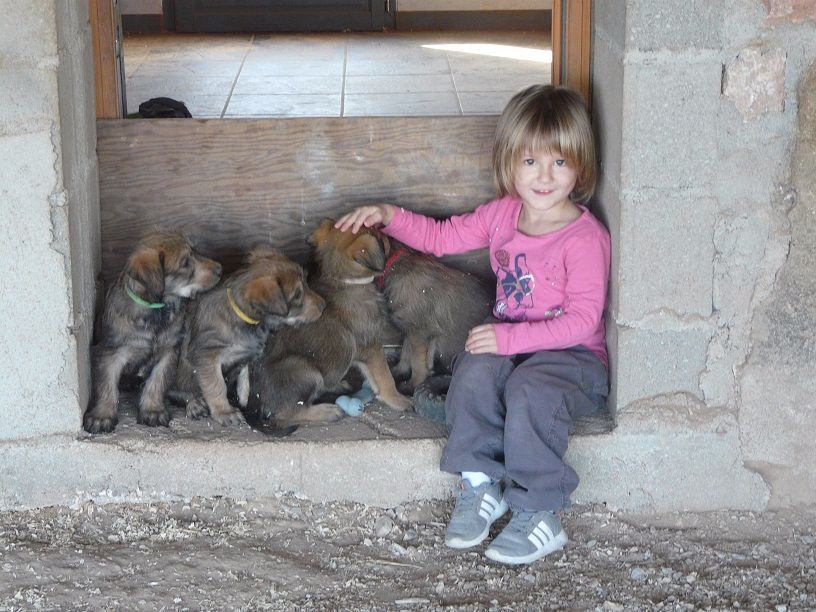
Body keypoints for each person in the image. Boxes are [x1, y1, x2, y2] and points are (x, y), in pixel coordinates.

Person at [335, 84, 610, 565]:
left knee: (530, 392)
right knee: (475, 369)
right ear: (508, 163)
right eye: (530, 162)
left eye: (559, 163)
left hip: (573, 358)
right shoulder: (504, 214)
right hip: (514, 344)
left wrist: (508, 336)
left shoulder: (584, 238)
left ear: (580, 166)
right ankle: (480, 485)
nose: (544, 177)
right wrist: (388, 215)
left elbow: (582, 321)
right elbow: (442, 237)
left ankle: (539, 510)